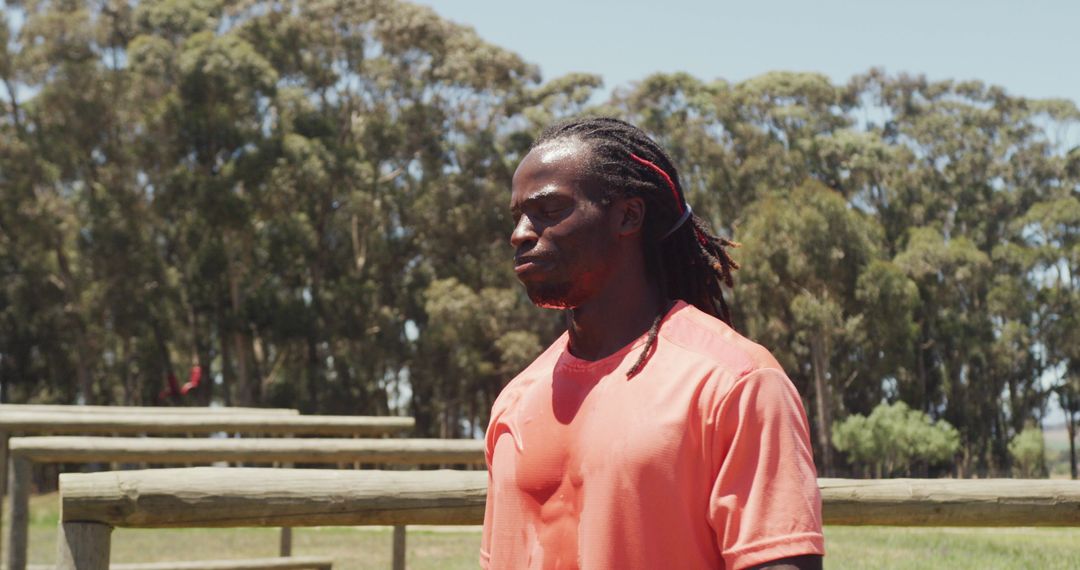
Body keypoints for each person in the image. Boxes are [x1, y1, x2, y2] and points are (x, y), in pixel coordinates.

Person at [480, 117, 824, 569]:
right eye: (518, 216)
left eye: (549, 210)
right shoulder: (515, 401)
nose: (520, 233)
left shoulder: (734, 383)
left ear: (627, 215)